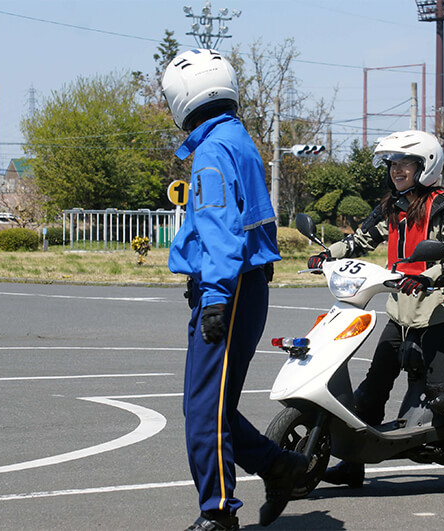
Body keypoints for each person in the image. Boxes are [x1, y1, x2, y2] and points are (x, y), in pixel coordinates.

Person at [307, 130, 444, 496]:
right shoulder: (393, 205)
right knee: (374, 387)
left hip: (439, 313)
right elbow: (363, 238)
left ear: (425, 166)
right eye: (392, 164)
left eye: (405, 163)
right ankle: (354, 463)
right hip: (401, 311)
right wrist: (328, 254)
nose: (396, 170)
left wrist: (429, 276)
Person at [162, 48, 308, 531]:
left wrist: (216, 299)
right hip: (243, 285)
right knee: (207, 405)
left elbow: (221, 230)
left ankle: (219, 513)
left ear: (184, 97)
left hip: (230, 289)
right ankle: (279, 465)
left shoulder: (211, 151)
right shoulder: (236, 138)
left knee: (204, 412)